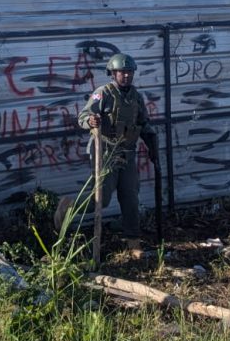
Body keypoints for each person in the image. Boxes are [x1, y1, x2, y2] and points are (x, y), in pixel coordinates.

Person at [54, 53, 159, 257]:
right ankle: (68, 207)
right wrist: (91, 121)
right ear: (113, 73)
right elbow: (83, 116)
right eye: (122, 72)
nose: (126, 76)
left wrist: (152, 145)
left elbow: (143, 123)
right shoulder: (104, 93)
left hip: (127, 153)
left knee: (130, 198)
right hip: (106, 152)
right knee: (101, 200)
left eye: (129, 72)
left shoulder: (136, 97)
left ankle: (133, 241)